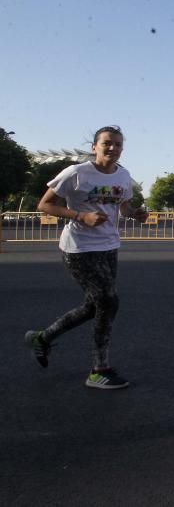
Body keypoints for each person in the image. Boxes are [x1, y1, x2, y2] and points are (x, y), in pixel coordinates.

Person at [25, 125, 148, 389]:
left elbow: (123, 207)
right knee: (108, 301)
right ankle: (99, 369)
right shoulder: (77, 173)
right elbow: (44, 204)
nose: (112, 148)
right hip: (79, 247)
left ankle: (43, 338)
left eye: (117, 144)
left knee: (96, 305)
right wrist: (81, 216)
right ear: (95, 147)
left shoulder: (123, 176)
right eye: (107, 143)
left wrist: (136, 213)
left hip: (109, 246)